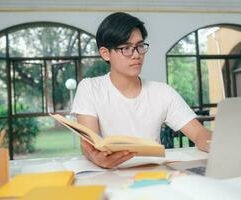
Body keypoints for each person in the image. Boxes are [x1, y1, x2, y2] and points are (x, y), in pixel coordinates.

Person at [71, 12, 212, 168]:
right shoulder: (90, 88)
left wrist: (214, 144)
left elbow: (199, 133)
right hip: (108, 176)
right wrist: (99, 159)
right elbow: (89, 143)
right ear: (105, 53)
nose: (136, 55)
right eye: (126, 48)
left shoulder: (162, 92)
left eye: (139, 46)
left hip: (154, 176)